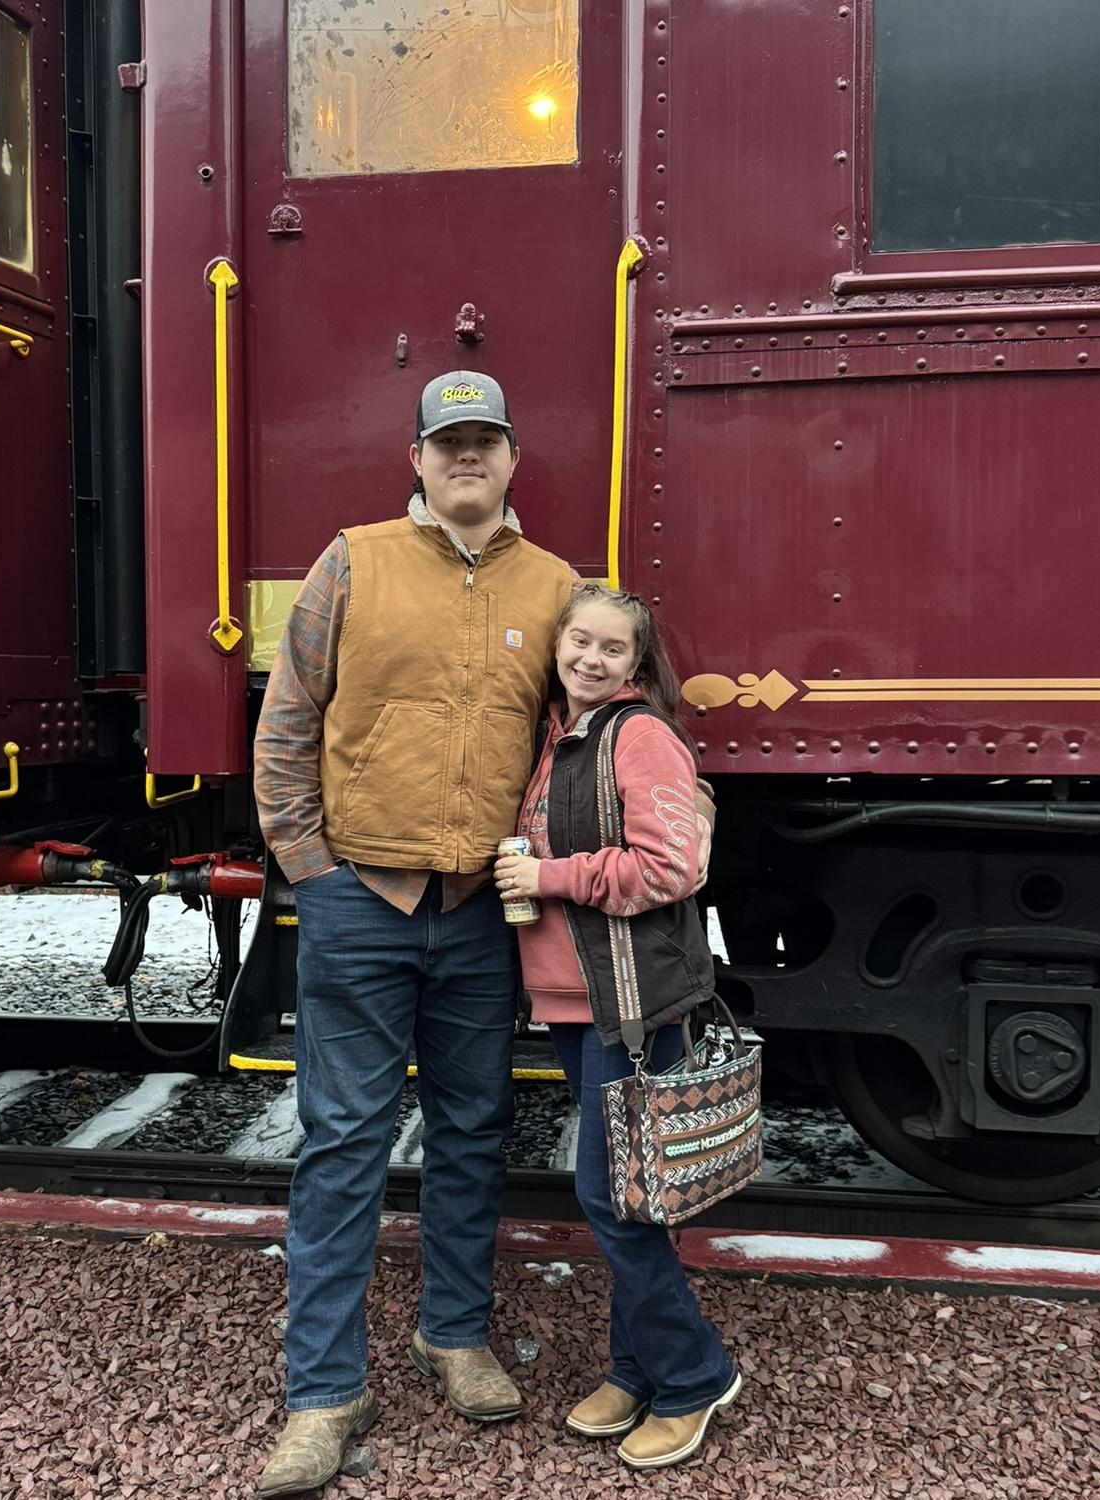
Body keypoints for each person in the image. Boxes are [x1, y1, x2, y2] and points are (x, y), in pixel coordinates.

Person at [250, 371, 577, 1497]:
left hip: (483, 908)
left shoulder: (554, 583)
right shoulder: (353, 561)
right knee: (343, 1143)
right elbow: (286, 724)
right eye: (448, 442)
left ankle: (455, 1334)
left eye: (485, 439)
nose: (465, 457)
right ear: (418, 459)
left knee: (475, 1129)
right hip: (362, 898)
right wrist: (313, 872)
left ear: (513, 457)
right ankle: (323, 1393)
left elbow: (576, 744)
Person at [493, 583, 741, 1471]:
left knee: (612, 1196)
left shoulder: (637, 734)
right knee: (631, 1195)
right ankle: (634, 1370)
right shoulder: (562, 735)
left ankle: (695, 1374)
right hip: (575, 1001)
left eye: (612, 648)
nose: (591, 659)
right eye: (580, 641)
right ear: (557, 644)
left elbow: (670, 869)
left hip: (631, 1003)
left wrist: (550, 877)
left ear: (637, 664)